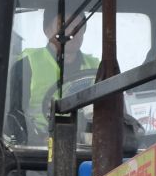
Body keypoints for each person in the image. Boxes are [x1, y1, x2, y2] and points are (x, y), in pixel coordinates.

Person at [13, 8, 99, 141]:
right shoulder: (27, 64)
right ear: (47, 31)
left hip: (88, 144)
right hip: (38, 147)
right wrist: (34, 138)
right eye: (64, 26)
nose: (72, 32)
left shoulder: (97, 67)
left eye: (78, 27)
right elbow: (13, 114)